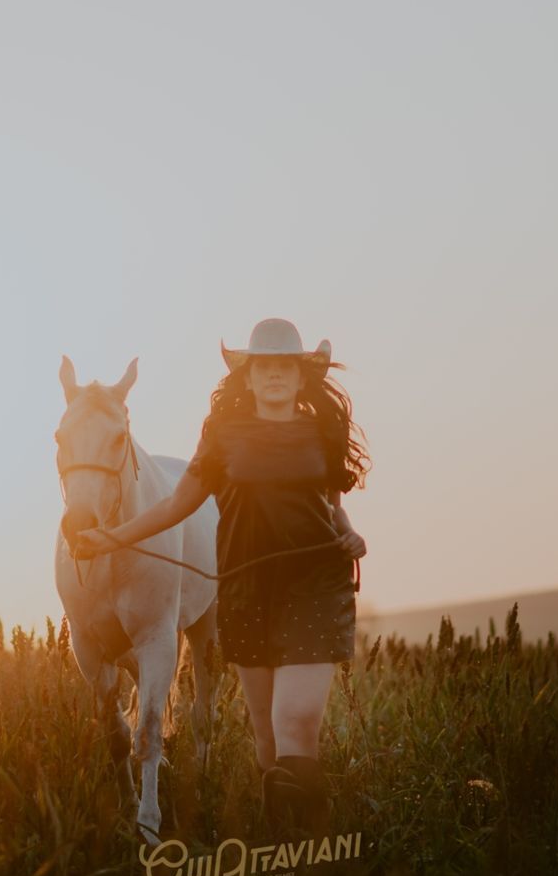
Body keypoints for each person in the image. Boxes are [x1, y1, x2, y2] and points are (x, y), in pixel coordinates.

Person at [70, 317, 370, 835]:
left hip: (315, 584)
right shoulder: (222, 437)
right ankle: (287, 850)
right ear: (247, 377)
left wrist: (348, 530)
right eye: (263, 367)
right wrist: (115, 537)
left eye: (285, 366)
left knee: (294, 723)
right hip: (247, 587)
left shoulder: (322, 429)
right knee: (267, 740)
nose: (274, 375)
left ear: (301, 377)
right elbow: (178, 503)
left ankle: (313, 852)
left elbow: (331, 499)